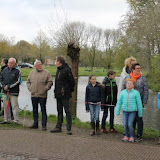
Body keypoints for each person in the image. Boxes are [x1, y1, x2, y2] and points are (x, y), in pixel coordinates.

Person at [122, 63, 149, 142]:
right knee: (131, 119)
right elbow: (123, 89)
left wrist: (145, 101)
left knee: (139, 118)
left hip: (139, 101)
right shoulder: (127, 77)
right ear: (133, 69)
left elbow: (146, 90)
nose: (139, 70)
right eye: (137, 68)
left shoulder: (142, 78)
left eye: (140, 68)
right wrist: (123, 99)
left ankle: (139, 135)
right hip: (130, 102)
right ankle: (131, 134)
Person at [50, 56, 75, 135]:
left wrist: (67, 91)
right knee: (59, 110)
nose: (55, 62)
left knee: (67, 111)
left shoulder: (67, 70)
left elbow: (72, 82)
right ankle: (58, 126)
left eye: (56, 61)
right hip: (58, 94)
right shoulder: (59, 70)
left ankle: (69, 128)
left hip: (65, 94)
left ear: (59, 62)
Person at [27, 59, 53, 130]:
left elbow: (50, 82)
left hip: (42, 95)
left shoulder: (46, 73)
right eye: (38, 65)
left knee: (43, 110)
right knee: (35, 110)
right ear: (35, 66)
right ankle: (35, 124)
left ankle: (44, 125)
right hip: (33, 94)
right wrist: (30, 88)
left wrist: (45, 88)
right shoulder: (31, 73)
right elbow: (28, 82)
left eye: (40, 64)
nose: (40, 66)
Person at [0, 57, 21, 124]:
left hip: (14, 91)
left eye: (11, 63)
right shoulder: (4, 70)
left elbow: (17, 81)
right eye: (9, 63)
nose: (10, 64)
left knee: (14, 106)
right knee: (6, 106)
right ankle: (6, 119)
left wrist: (9, 86)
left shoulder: (17, 71)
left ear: (14, 63)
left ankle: (16, 120)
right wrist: (3, 86)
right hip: (5, 91)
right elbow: (1, 79)